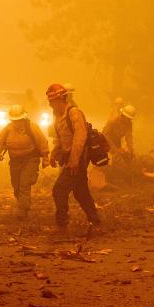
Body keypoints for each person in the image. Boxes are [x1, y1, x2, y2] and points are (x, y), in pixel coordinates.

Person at [47, 83, 101, 230]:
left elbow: (80, 138)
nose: (50, 105)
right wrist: (54, 154)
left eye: (52, 101)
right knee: (80, 192)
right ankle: (95, 220)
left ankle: (62, 224)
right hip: (70, 158)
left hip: (78, 159)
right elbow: (61, 138)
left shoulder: (74, 113)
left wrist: (74, 161)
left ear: (60, 99)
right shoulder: (59, 117)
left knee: (59, 190)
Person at [0, 105, 49, 219]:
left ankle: (23, 210)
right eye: (14, 120)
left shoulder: (32, 128)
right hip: (15, 161)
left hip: (30, 159)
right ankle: (22, 205)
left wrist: (45, 157)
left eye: (18, 120)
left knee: (24, 184)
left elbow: (42, 142)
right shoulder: (8, 128)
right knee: (16, 185)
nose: (16, 122)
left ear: (23, 118)